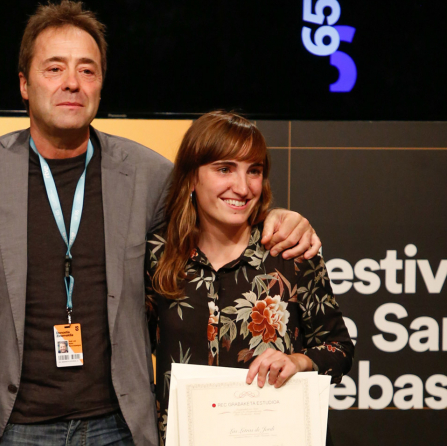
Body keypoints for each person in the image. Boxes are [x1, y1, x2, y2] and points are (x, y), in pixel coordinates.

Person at [0, 1, 320, 446]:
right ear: (25, 84)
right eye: (54, 68)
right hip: (11, 425)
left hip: (118, 425)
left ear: (100, 85)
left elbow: (213, 224)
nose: (72, 83)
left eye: (87, 70)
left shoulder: (148, 174)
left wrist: (274, 216)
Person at [145, 111, 353, 445]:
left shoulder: (290, 252)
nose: (242, 188)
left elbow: (339, 349)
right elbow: (128, 354)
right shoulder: (158, 256)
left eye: (253, 171)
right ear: (191, 178)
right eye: (224, 169)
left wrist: (299, 361)